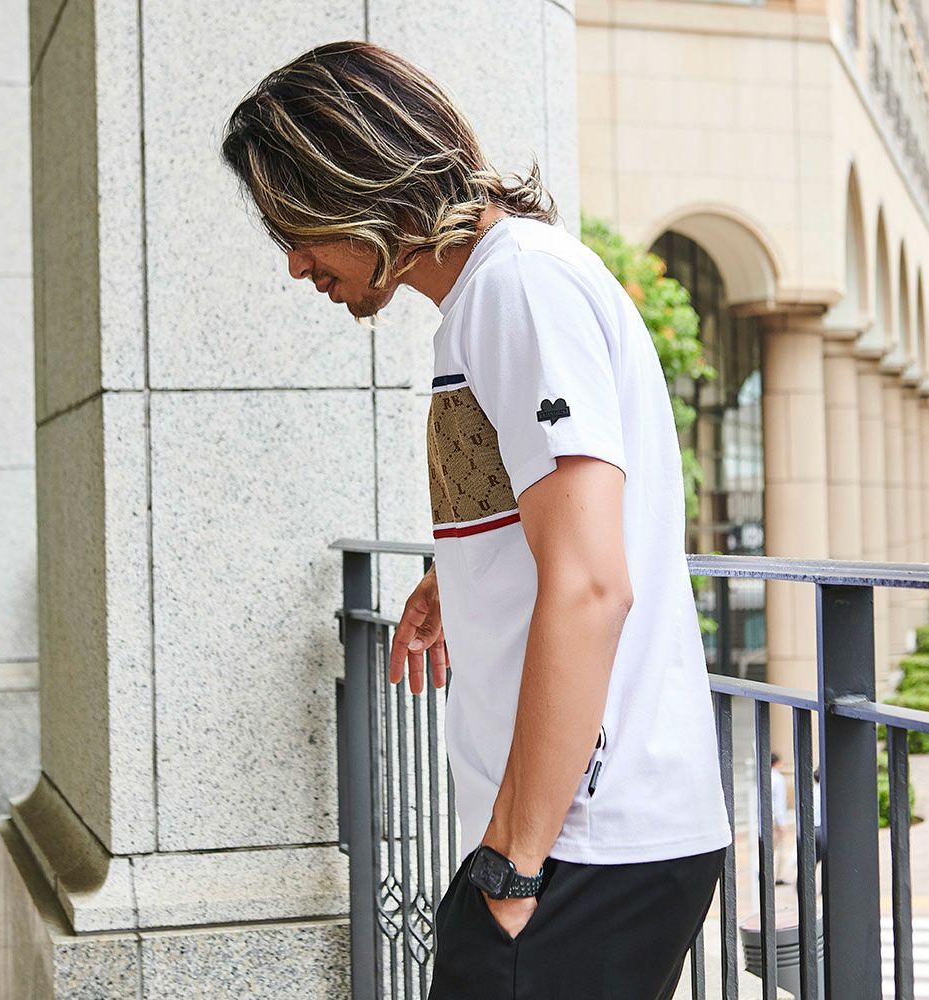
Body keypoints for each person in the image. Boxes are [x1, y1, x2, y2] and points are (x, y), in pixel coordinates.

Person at [222, 40, 732, 1000]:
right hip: (577, 847)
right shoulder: (497, 291)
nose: (295, 264)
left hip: (578, 849)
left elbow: (593, 585)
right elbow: (565, 518)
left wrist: (509, 864)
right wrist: (462, 575)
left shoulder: (517, 287)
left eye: (300, 225)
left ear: (363, 184)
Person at [771, 752, 792, 885]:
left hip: (766, 817)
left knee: (768, 848)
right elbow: (779, 802)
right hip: (775, 818)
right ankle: (778, 876)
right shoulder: (778, 778)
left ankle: (763, 873)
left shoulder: (762, 775)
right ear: (777, 763)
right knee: (781, 848)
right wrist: (782, 822)